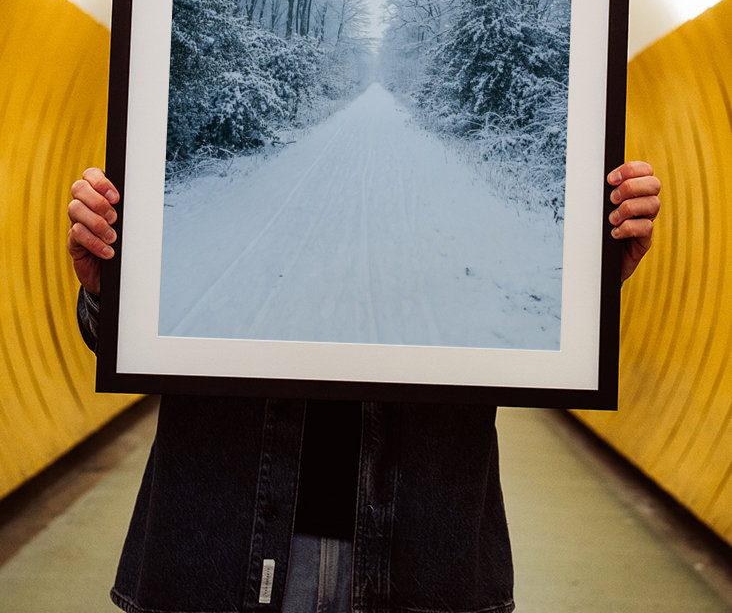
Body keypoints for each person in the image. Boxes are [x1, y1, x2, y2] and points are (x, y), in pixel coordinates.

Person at [68, 161, 661, 613]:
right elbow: (126, 340)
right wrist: (109, 292)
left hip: (423, 557)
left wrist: (589, 287)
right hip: (219, 549)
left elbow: (536, 338)